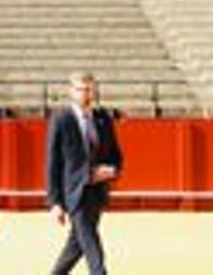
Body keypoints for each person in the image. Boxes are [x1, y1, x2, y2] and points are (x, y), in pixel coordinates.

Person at [47, 71, 123, 275]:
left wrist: (112, 170)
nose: (86, 94)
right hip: (74, 192)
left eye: (89, 89)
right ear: (71, 92)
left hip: (97, 192)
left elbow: (116, 155)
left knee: (77, 243)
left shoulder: (102, 118)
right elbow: (53, 163)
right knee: (91, 243)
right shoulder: (61, 119)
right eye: (81, 89)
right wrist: (55, 202)